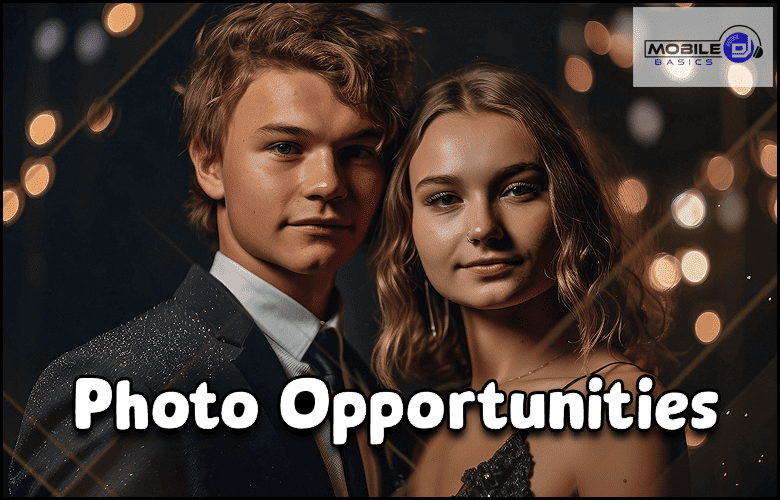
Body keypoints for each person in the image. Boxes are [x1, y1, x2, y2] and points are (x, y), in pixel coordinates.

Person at [9, 4, 420, 496]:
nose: (328, 183)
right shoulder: (124, 388)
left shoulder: (372, 393)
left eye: (358, 152)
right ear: (209, 164)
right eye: (287, 147)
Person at [370, 63, 689, 496]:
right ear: (409, 222)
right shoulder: (438, 425)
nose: (483, 227)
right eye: (445, 198)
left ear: (570, 202)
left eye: (517, 189)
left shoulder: (617, 408)